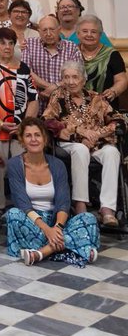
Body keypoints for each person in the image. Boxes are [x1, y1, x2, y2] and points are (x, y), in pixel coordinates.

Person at [5, 119, 100, 266]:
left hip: (57, 221)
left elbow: (63, 202)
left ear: (45, 139)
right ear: (22, 140)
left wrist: (57, 228)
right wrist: (47, 230)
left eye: (37, 135)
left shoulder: (57, 165)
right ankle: (75, 246)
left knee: (88, 218)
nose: (34, 139)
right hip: (32, 222)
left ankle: (42, 252)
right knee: (13, 215)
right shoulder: (14, 164)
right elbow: (22, 203)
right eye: (28, 136)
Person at [43, 61, 121, 228]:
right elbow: (48, 121)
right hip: (69, 144)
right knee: (80, 149)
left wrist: (98, 134)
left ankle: (107, 209)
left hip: (97, 143)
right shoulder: (58, 97)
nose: (70, 81)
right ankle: (80, 204)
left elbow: (119, 120)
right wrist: (79, 131)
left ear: (83, 79)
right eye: (66, 77)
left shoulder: (96, 98)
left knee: (112, 153)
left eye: (75, 77)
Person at [0, 27, 38, 198]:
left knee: (22, 168)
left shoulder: (23, 68)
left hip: (20, 130)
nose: (7, 47)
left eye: (11, 43)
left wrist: (24, 125)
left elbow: (33, 99)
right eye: (2, 43)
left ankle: (23, 206)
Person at [23, 15, 82, 102]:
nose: (48, 34)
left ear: (59, 29)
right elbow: (27, 72)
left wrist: (55, 87)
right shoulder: (30, 44)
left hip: (65, 101)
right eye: (44, 30)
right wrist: (50, 87)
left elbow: (78, 74)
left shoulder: (71, 47)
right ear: (39, 32)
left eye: (52, 29)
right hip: (37, 101)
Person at [77, 13, 127, 102]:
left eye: (94, 32)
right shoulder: (72, 52)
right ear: (78, 34)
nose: (89, 35)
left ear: (100, 35)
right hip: (76, 106)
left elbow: (121, 80)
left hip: (105, 105)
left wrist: (113, 91)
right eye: (85, 31)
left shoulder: (112, 54)